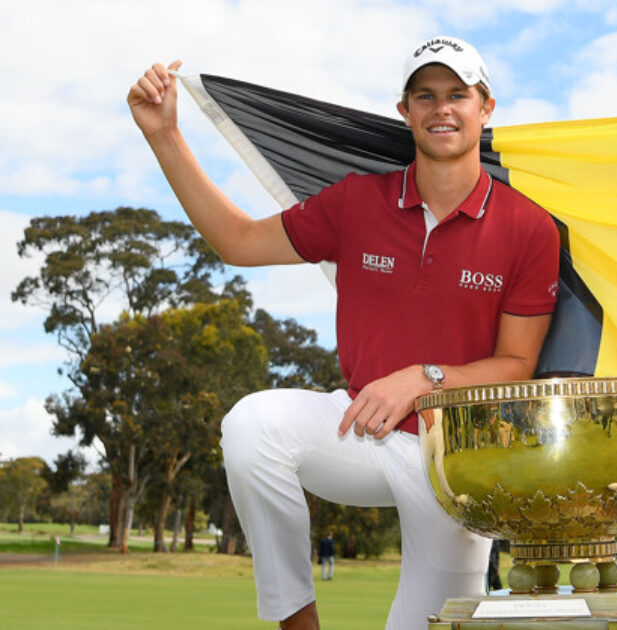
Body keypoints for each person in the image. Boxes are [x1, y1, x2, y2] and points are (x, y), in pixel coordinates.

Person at [128, 36, 560, 630]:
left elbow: (517, 364)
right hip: (363, 432)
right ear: (404, 111)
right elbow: (237, 242)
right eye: (425, 96)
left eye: (458, 94)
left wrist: (422, 379)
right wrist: (164, 135)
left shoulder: (530, 227)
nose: (442, 108)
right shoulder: (358, 202)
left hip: (462, 459)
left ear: (485, 108)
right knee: (253, 426)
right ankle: (298, 624)